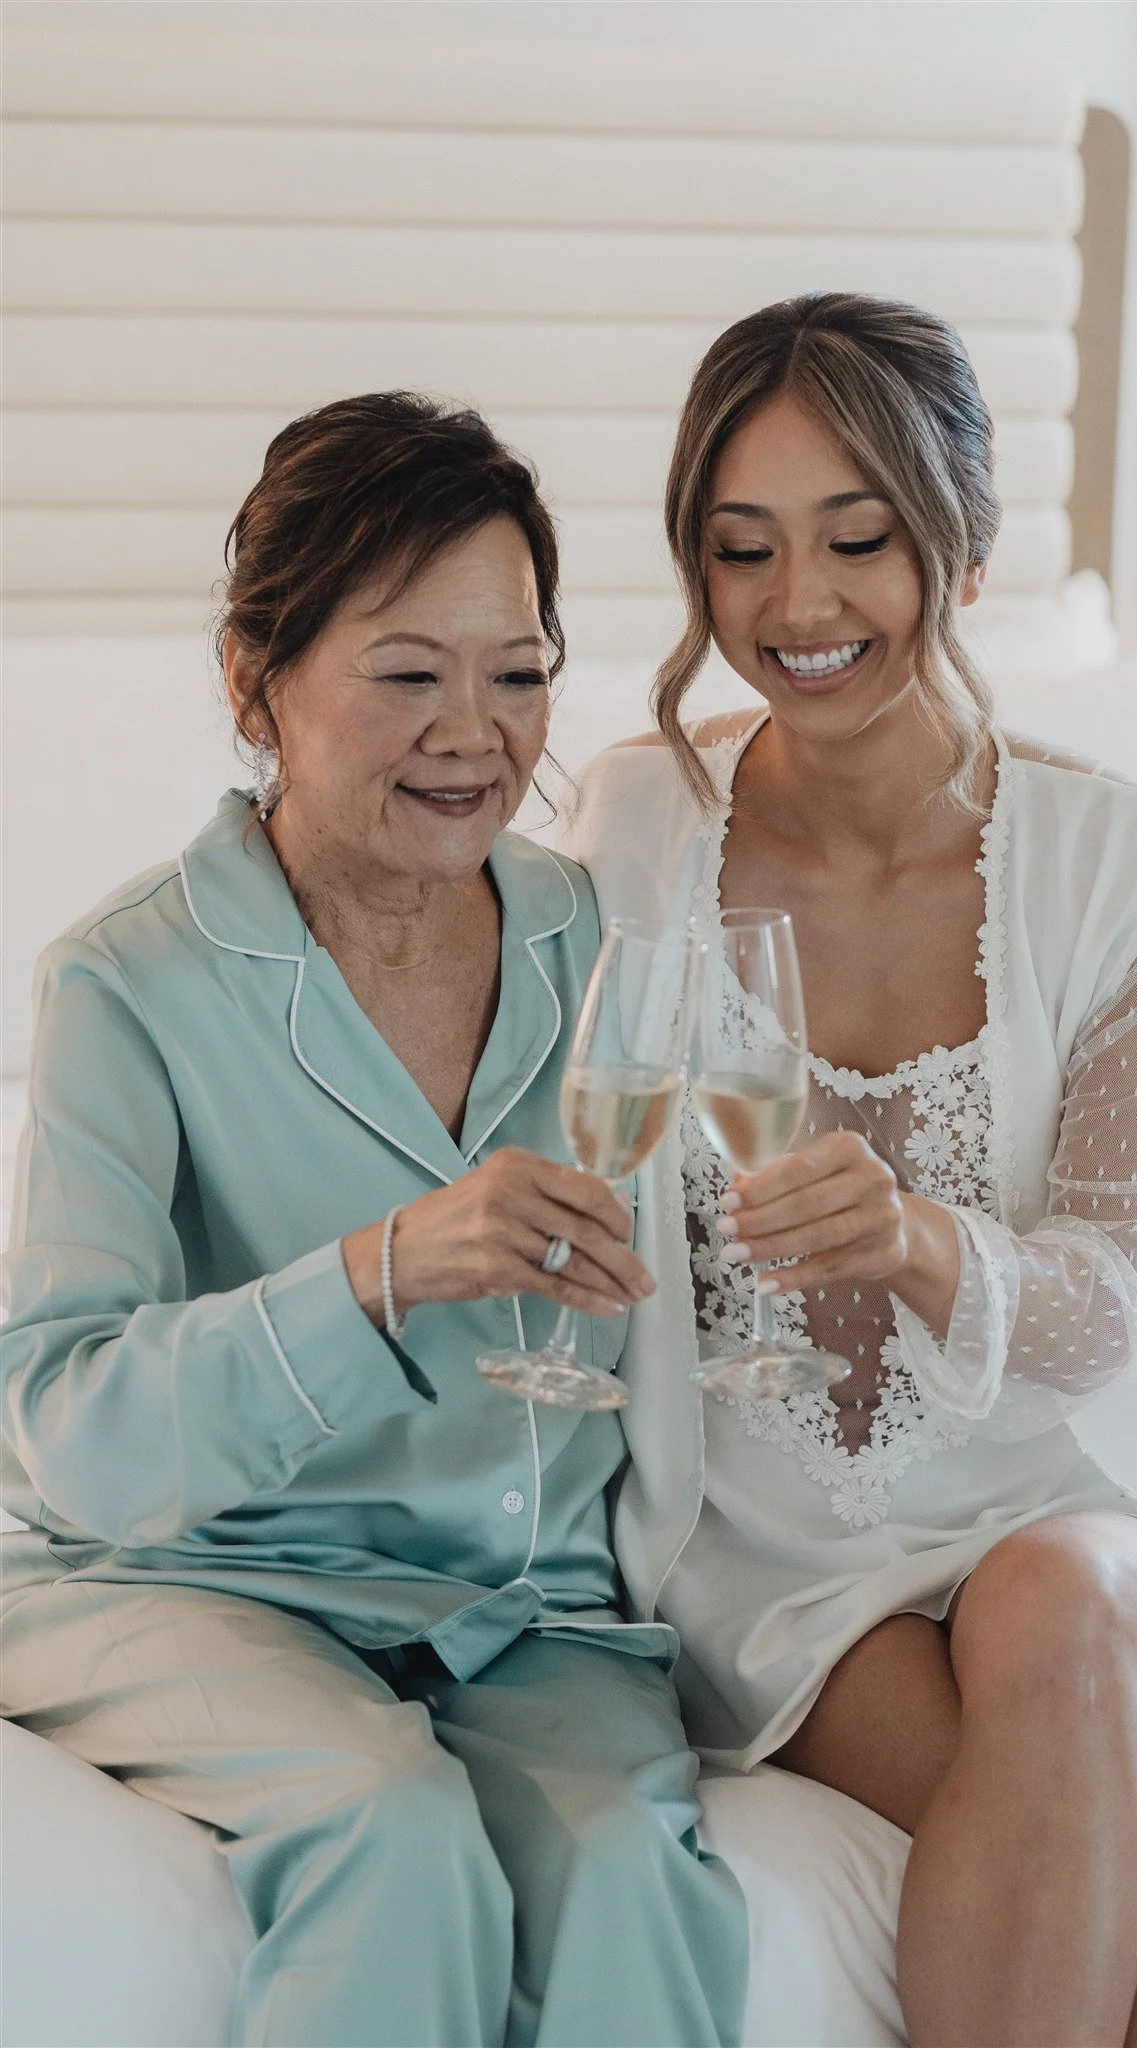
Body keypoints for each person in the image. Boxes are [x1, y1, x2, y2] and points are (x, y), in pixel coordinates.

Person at [566, 294, 1137, 2048]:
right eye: (741, 547)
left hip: (1075, 1497)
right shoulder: (628, 828)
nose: (799, 608)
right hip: (775, 1547)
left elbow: (1098, 1323)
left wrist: (926, 1245)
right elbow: (587, 1166)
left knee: (1054, 1608)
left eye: (860, 539)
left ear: (967, 546)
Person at [0, 394, 747, 2048]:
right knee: (388, 1829)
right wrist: (379, 1274)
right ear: (253, 680)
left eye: (523, 671)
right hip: (190, 1577)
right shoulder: (124, 983)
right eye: (408, 672)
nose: (476, 732)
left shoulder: (597, 937)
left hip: (522, 1606)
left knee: (636, 1865)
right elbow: (74, 1434)